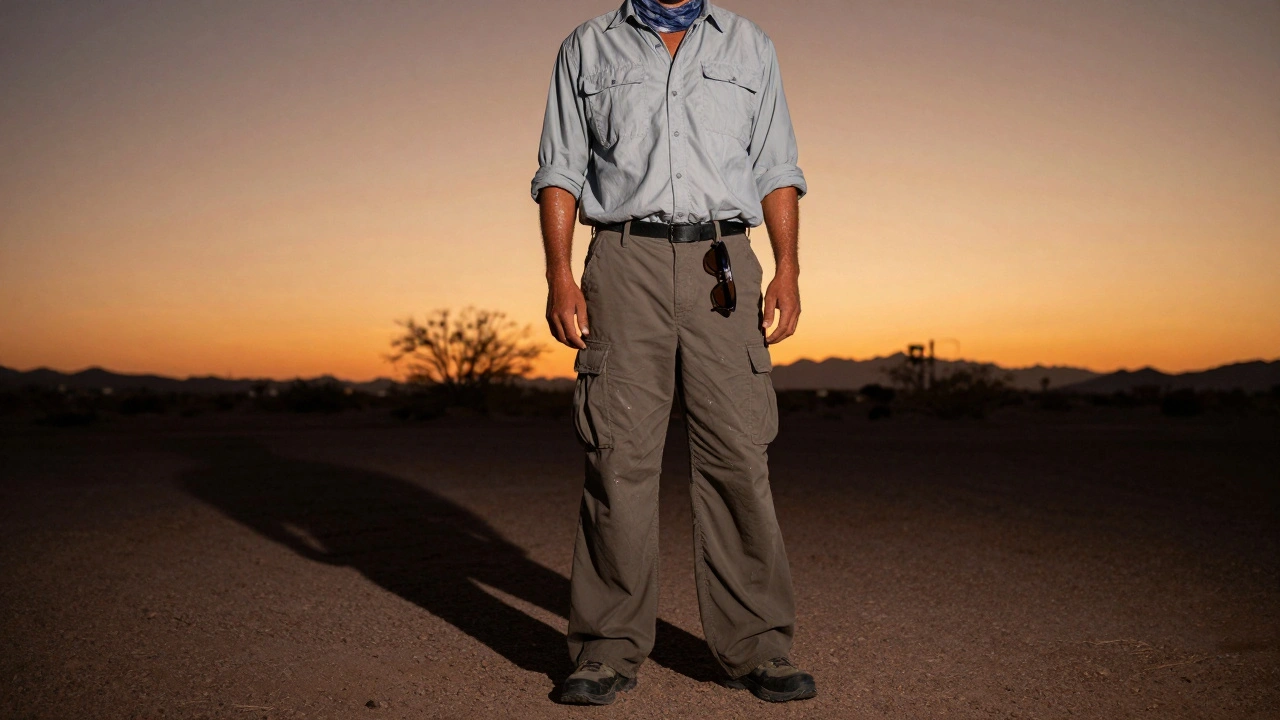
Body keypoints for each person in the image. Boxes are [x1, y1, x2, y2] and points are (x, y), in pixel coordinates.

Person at [531, 0, 813, 705]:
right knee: (617, 458)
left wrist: (787, 267)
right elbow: (560, 168)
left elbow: (776, 164)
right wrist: (560, 274)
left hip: (725, 260)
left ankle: (759, 646)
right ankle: (604, 649)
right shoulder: (588, 46)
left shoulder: (749, 45)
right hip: (624, 259)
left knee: (739, 455)